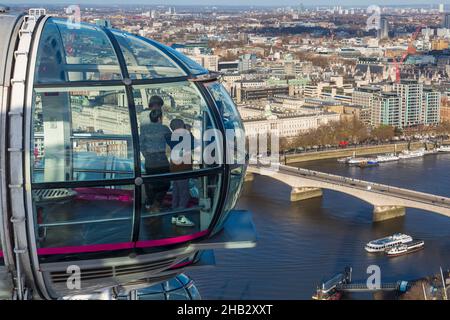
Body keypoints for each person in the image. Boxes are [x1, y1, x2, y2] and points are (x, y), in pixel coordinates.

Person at [140, 109, 171, 212]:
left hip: (150, 161)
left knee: (151, 183)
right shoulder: (164, 128)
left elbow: (141, 145)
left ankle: (150, 203)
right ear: (159, 118)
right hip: (162, 160)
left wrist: (146, 155)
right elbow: (172, 141)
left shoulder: (144, 129)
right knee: (165, 183)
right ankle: (157, 204)